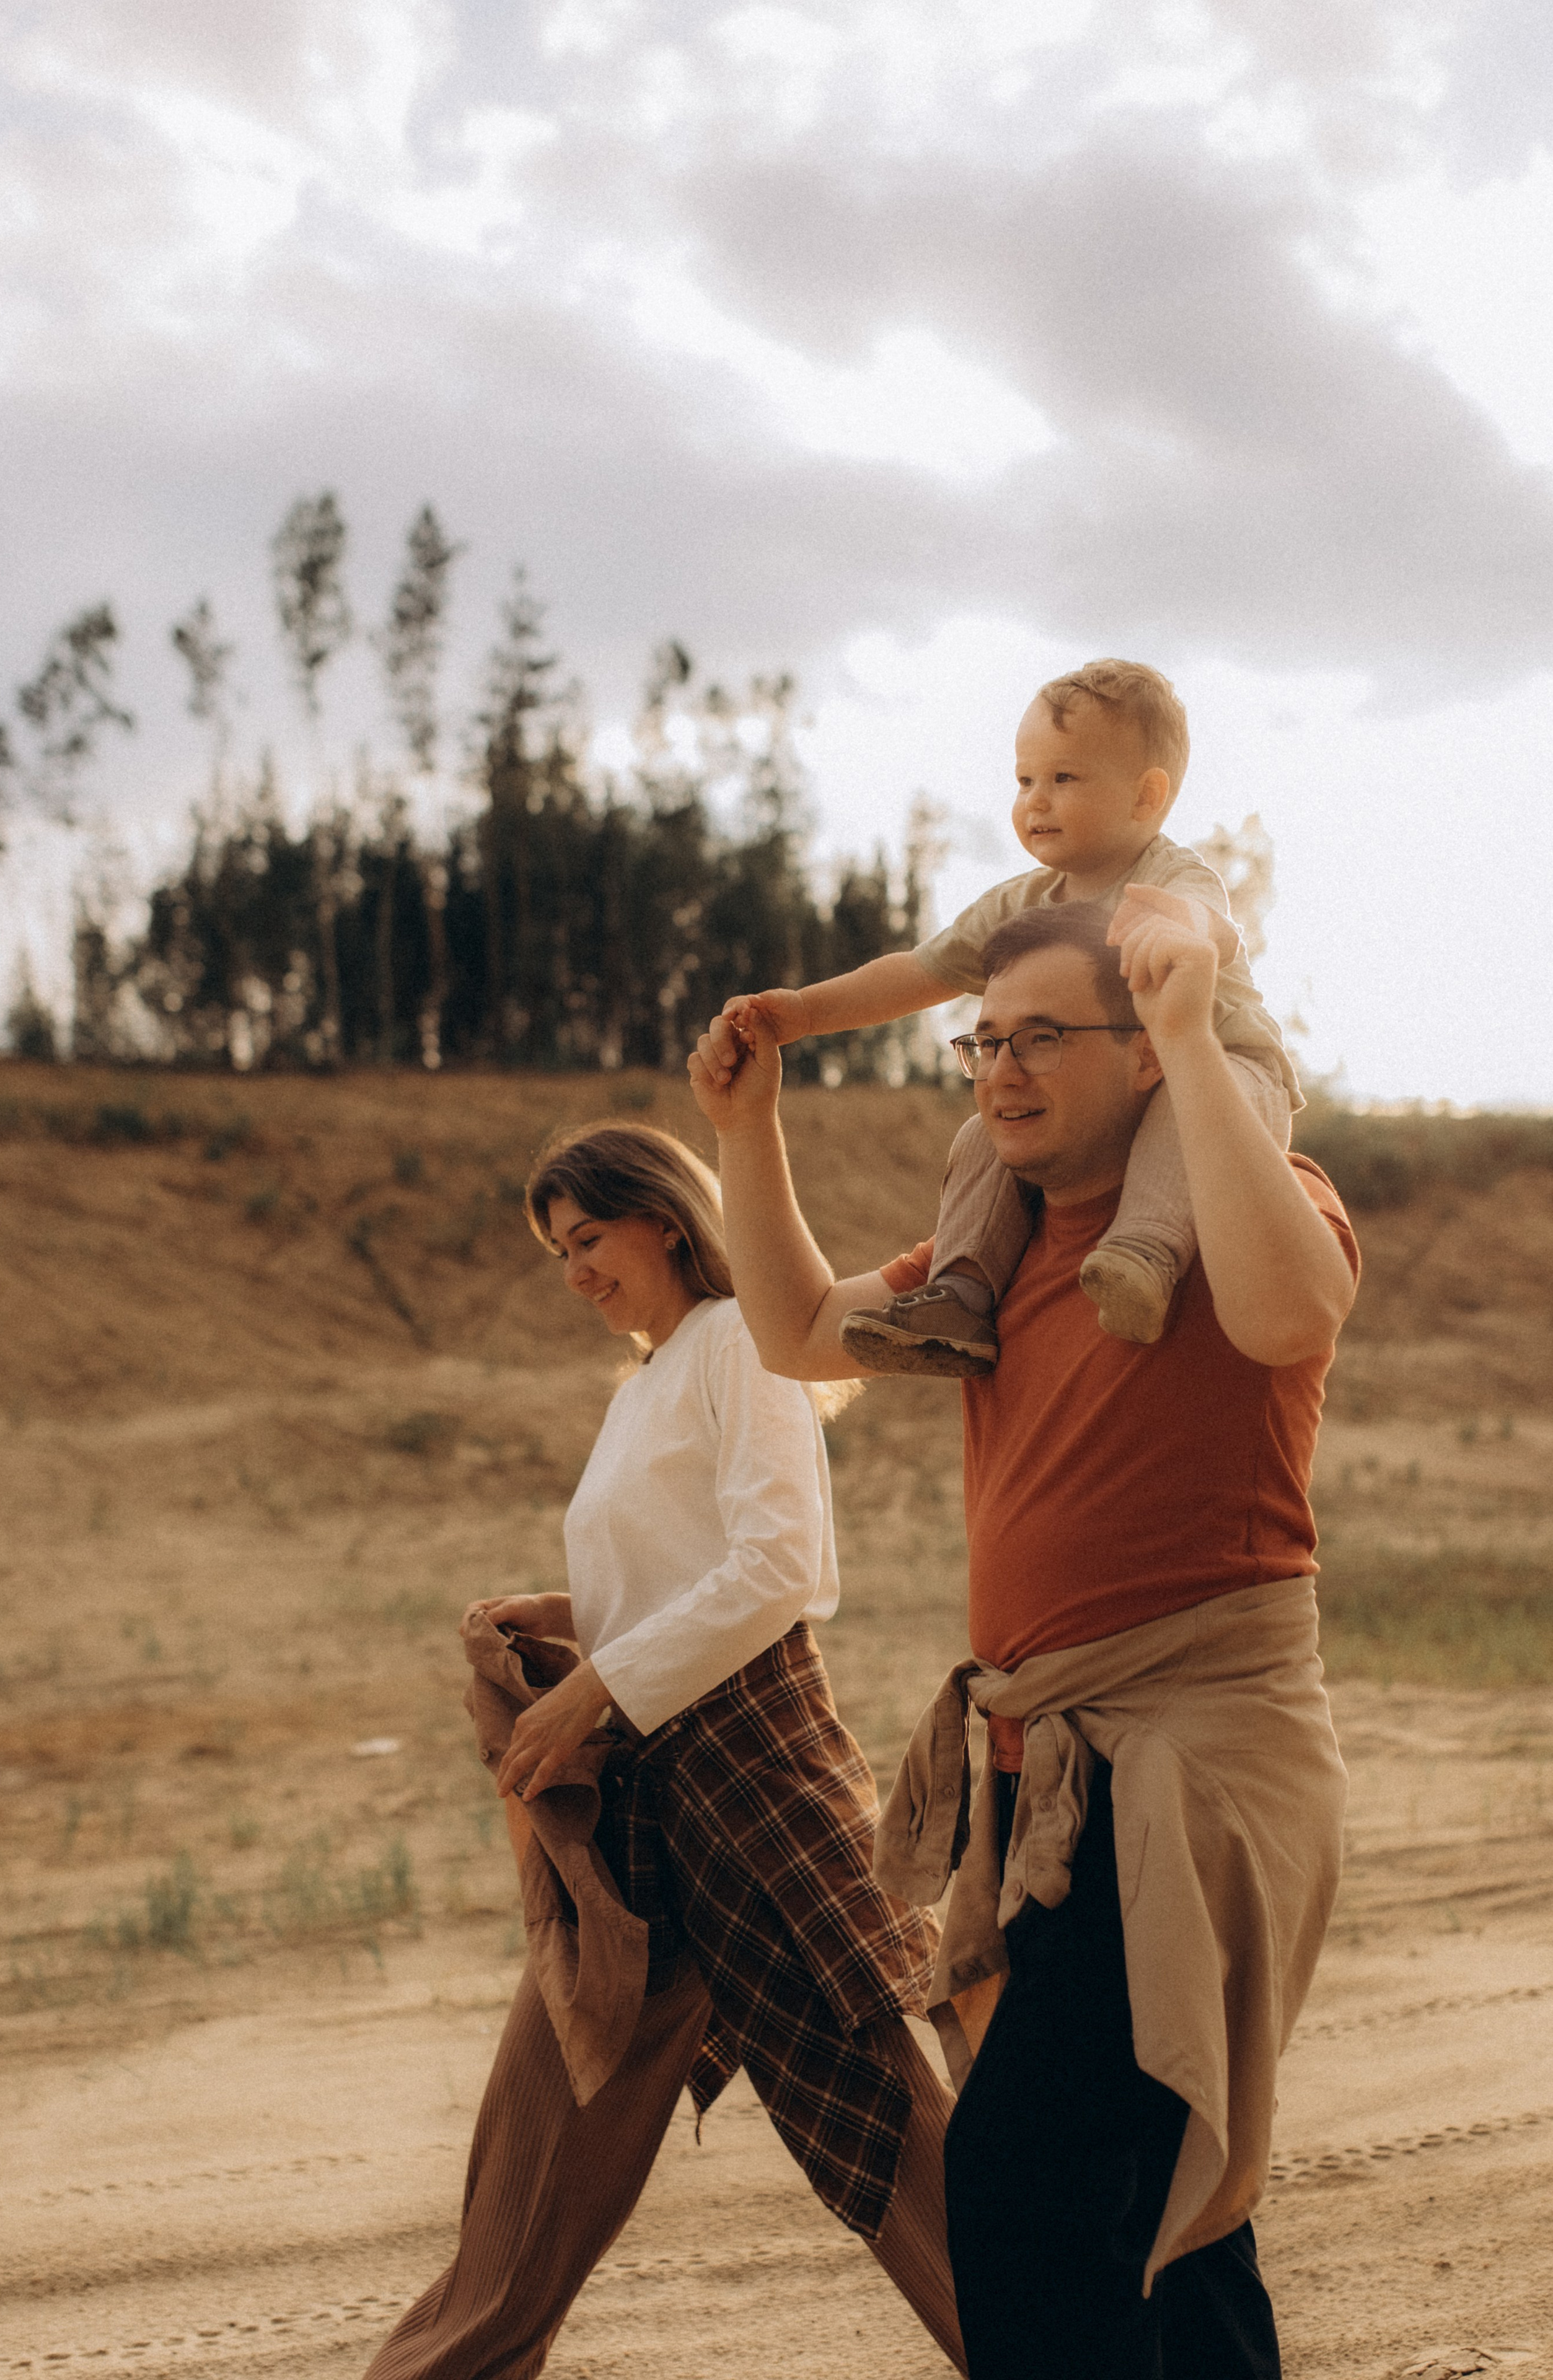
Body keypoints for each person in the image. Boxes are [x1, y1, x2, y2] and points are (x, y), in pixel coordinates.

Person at [689, 898, 1359, 2380]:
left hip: (1192, 1758)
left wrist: (1193, 1031)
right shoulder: (980, 1273)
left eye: (1042, 1037)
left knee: (1023, 2176)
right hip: (1040, 1772)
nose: (1000, 1068)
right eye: (982, 1040)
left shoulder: (1239, 1207)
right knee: (1163, 2217)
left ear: (1138, 1058)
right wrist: (747, 1129)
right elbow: (798, 1328)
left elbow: (1289, 1312)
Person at [363, 1121, 966, 2380]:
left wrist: (591, 1692)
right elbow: (683, 1577)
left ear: (667, 1221)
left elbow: (777, 1571)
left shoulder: (741, 1350)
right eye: (555, 1251)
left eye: (588, 1238)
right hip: (645, 1818)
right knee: (538, 2138)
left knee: (885, 2136)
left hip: (751, 1782)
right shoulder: (648, 1382)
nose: (574, 1270)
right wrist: (565, 1617)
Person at [718, 657, 1300, 1363]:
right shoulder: (1020, 904)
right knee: (982, 1134)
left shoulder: (1169, 877)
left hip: (1225, 1077)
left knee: (1181, 1110)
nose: (1036, 801)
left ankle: (1141, 1257)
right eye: (1024, 781)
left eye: (1063, 779)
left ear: (1146, 797)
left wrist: (1180, 927)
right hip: (1112, 1094)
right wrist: (804, 1014)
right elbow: (917, 972)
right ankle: (961, 1293)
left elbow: (1214, 925)